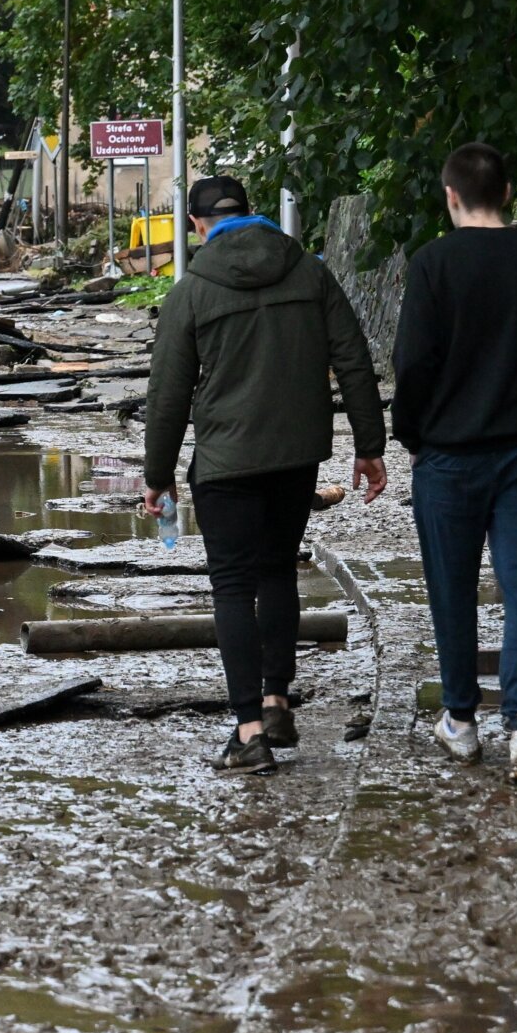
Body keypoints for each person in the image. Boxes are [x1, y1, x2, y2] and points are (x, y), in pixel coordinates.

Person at [143, 174, 389, 774]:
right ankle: (277, 701)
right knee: (279, 569)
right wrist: (369, 445)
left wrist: (158, 475)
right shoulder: (308, 271)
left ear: (198, 225)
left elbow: (168, 395)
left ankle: (249, 731)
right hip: (296, 456)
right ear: (251, 214)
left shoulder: (191, 291)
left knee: (232, 586)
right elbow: (354, 358)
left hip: (226, 462)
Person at [392, 142, 517, 785]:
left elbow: (414, 362)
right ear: (506, 193)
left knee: (452, 589)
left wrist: (411, 430)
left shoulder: (431, 265)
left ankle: (462, 722)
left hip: (447, 455)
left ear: (451, 196)